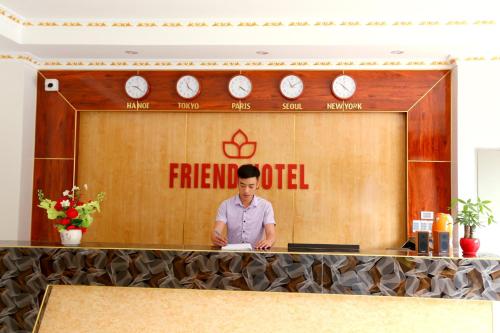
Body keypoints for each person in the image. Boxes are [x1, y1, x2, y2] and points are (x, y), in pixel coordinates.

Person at [211, 164, 276, 250]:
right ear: (237, 183)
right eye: (242, 185)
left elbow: (271, 233)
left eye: (251, 186)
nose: (246, 191)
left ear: (257, 184)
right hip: (231, 255)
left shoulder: (265, 206)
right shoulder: (226, 205)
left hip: (256, 256)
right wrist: (215, 236)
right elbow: (217, 230)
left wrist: (269, 241)